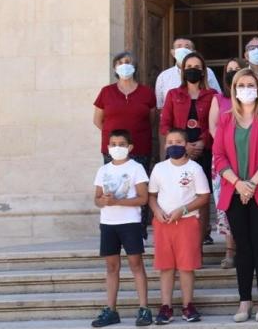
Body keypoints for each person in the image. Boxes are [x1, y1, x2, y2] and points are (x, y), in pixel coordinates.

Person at [214, 69, 258, 323]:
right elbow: (219, 156)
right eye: (241, 85)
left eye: (250, 84)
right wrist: (238, 184)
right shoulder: (225, 119)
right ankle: (244, 300)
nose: (246, 89)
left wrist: (251, 184)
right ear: (234, 90)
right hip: (234, 191)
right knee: (243, 248)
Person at [148, 128, 211, 324]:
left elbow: (204, 196)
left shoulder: (194, 169)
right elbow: (151, 196)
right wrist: (156, 211)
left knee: (186, 267)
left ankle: (187, 305)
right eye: (170, 142)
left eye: (178, 142)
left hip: (187, 222)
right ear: (165, 145)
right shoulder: (159, 168)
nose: (173, 145)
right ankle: (165, 307)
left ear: (186, 145)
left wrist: (183, 210)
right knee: (166, 267)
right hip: (163, 223)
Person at [90, 129, 152, 328]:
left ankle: (144, 308)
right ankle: (111, 309)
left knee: (136, 264)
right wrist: (105, 201)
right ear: (108, 147)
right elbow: (97, 199)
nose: (117, 147)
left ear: (130, 147)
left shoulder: (136, 168)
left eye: (121, 144)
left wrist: (119, 201)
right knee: (111, 267)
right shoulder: (103, 170)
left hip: (129, 223)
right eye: (113, 144)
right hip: (108, 223)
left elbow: (143, 198)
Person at [159, 51, 217, 244]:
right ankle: (181, 234)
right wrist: (183, 145)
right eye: (189, 67)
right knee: (181, 191)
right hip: (179, 153)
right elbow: (165, 124)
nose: (193, 71)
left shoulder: (212, 95)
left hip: (205, 150)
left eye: (197, 68)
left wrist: (202, 142)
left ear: (203, 72)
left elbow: (216, 124)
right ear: (183, 71)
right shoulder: (173, 94)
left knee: (203, 194)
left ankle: (202, 236)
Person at [94, 52, 156, 168]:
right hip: (113, 149)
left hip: (140, 147)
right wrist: (113, 133)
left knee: (139, 184)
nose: (124, 65)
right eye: (120, 63)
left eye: (127, 62)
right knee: (113, 184)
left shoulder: (147, 92)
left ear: (134, 66)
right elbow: (97, 120)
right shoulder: (106, 91)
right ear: (115, 68)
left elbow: (151, 120)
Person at [208, 58, 242, 268]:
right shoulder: (218, 99)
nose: (233, 73)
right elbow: (213, 127)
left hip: (248, 157)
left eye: (237, 70)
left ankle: (246, 247)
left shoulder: (251, 99)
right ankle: (230, 249)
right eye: (230, 70)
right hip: (222, 158)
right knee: (226, 204)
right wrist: (226, 147)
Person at [154, 37, 222, 109]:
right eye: (179, 46)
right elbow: (160, 107)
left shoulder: (207, 72)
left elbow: (218, 99)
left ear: (193, 52)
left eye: (187, 47)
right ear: (172, 52)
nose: (183, 49)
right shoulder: (163, 76)